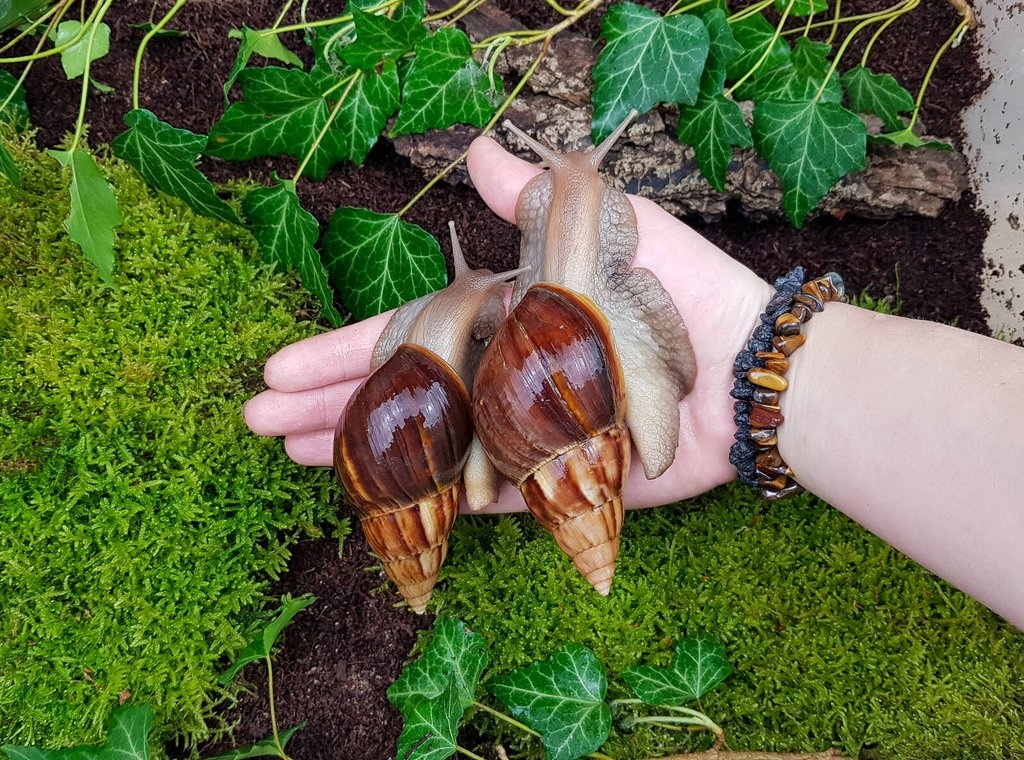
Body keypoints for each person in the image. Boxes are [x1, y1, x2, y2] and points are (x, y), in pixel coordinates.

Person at [243, 134, 1024, 630]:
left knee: (526, 307)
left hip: (564, 429)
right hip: (563, 430)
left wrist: (758, 343)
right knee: (528, 303)